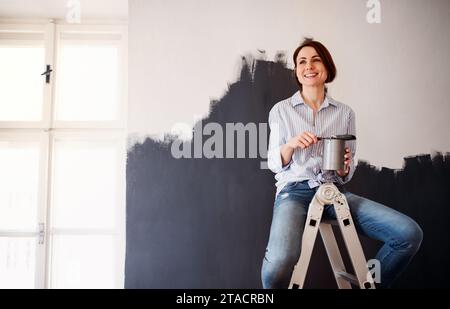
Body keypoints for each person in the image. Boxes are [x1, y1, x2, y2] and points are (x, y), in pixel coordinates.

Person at [261, 38, 423, 289]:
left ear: (327, 67)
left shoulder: (344, 113)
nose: (309, 66)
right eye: (302, 61)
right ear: (296, 71)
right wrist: (291, 144)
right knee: (279, 263)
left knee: (408, 234)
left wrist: (343, 168)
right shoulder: (281, 111)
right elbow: (274, 163)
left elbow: (346, 172)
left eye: (316, 59)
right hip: (294, 193)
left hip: (335, 193)